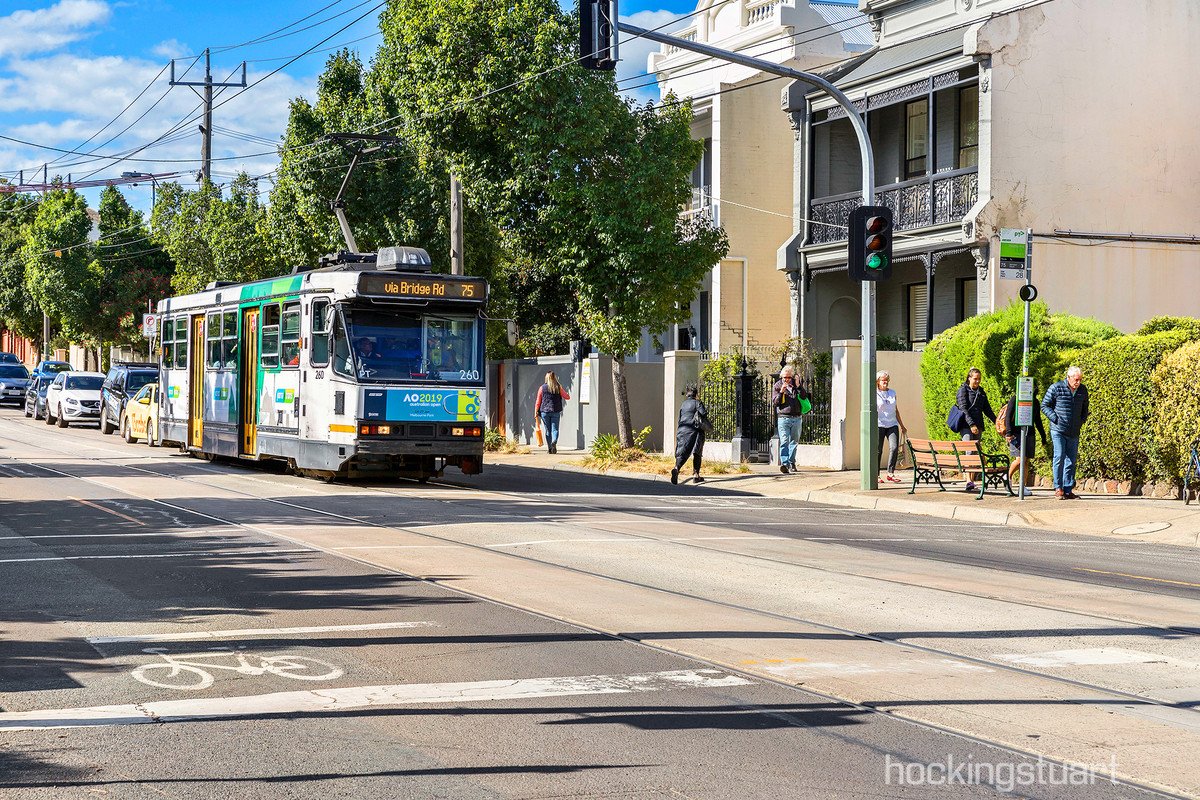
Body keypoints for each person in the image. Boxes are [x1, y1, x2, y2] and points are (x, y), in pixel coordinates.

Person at [1041, 365, 1090, 500]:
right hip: (1058, 430)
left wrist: (1081, 421)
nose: (1078, 382)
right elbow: (1044, 405)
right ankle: (1058, 488)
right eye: (1076, 379)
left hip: (1074, 431)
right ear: (1068, 378)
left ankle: (1068, 489)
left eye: (1080, 379)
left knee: (1071, 460)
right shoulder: (1056, 387)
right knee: (1059, 457)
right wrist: (1055, 418)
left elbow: (1085, 408)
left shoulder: (1082, 390)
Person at [1002, 384, 1048, 497]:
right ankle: (1007, 476)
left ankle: (1022, 487)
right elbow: (1008, 416)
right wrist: (1008, 432)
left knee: (1026, 461)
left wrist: (1043, 436)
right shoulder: (1015, 398)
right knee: (1020, 459)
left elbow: (1037, 420)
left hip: (1030, 433)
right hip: (1016, 433)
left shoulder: (1035, 402)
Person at [955, 367, 996, 492]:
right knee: (969, 451)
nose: (977, 381)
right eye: (975, 379)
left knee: (976, 453)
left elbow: (987, 409)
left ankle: (971, 481)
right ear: (969, 378)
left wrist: (996, 421)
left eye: (979, 379)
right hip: (966, 426)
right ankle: (968, 480)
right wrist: (971, 424)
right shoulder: (963, 390)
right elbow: (963, 409)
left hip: (978, 426)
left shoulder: (981, 392)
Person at [773, 365, 811, 474]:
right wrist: (781, 392)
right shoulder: (777, 386)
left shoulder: (796, 385)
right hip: (783, 418)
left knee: (794, 441)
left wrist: (799, 386)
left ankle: (792, 462)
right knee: (784, 441)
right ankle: (785, 464)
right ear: (781, 377)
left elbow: (804, 397)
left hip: (797, 417)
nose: (787, 380)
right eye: (785, 377)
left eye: (789, 377)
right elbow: (775, 403)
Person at [672, 385, 710, 485]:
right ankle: (696, 475)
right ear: (696, 394)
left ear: (687, 395)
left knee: (682, 451)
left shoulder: (683, 404)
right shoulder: (697, 403)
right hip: (694, 430)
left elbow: (680, 418)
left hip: (682, 430)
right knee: (697, 452)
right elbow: (703, 413)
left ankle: (676, 468)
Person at [875, 370, 907, 483]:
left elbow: (896, 410)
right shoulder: (874, 393)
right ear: (878, 381)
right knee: (878, 450)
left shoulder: (892, 392)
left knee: (894, 448)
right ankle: (876, 475)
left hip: (892, 424)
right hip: (879, 424)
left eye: (887, 380)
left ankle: (890, 473)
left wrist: (902, 425)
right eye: (883, 380)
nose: (885, 382)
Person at [534, 371, 570, 454]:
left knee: (548, 430)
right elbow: (567, 397)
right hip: (555, 411)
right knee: (555, 429)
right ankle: (554, 442)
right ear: (554, 378)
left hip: (544, 412)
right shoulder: (558, 387)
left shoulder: (542, 388)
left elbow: (538, 401)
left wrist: (535, 411)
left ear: (546, 378)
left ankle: (550, 448)